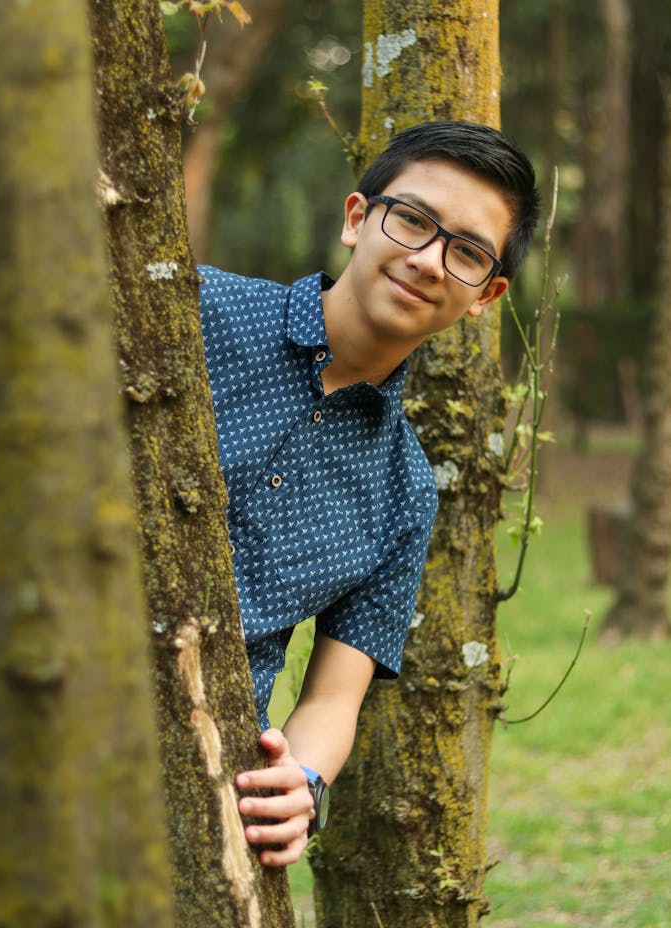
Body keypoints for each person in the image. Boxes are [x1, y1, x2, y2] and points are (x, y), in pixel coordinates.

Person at [197, 120, 540, 867]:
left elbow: (333, 699)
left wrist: (304, 780)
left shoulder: (406, 491)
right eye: (413, 220)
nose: (427, 260)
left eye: (467, 252)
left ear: (487, 295)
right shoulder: (197, 311)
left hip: (197, 786)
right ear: (358, 218)